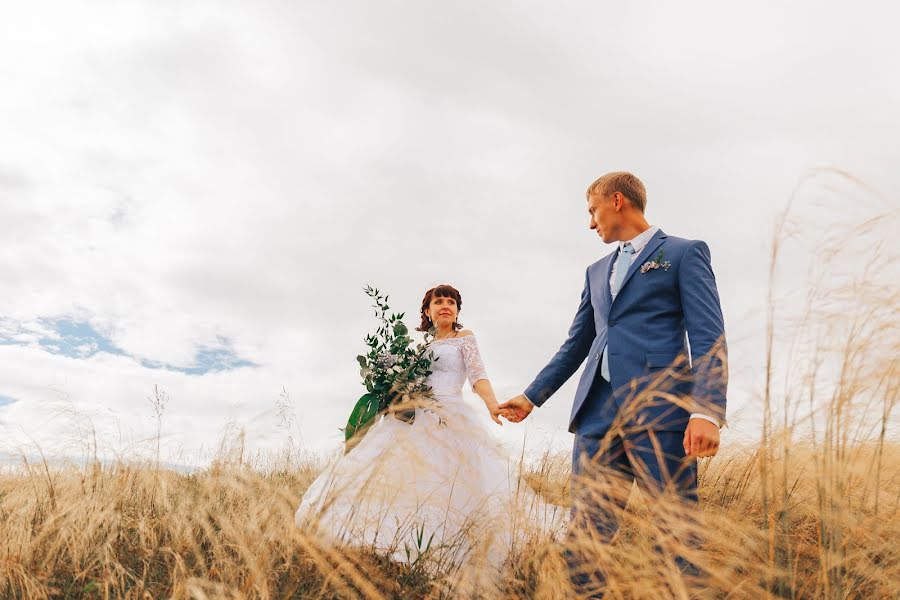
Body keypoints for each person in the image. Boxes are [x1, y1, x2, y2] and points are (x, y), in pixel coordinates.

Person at [499, 171, 728, 596]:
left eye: (593, 210)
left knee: (675, 532)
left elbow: (708, 336)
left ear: (617, 201)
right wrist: (532, 396)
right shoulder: (595, 271)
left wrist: (706, 410)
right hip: (596, 420)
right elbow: (577, 344)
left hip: (661, 413)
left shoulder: (682, 253)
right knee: (586, 537)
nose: (590, 223)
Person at [295, 284, 563, 594]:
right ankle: (393, 546)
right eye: (439, 302)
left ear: (457, 311)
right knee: (398, 477)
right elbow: (407, 381)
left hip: (450, 416)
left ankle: (445, 549)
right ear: (427, 311)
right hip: (413, 414)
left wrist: (492, 404)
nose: (446, 306)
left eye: (451, 302)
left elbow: (478, 376)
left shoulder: (465, 338)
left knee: (447, 483)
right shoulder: (418, 348)